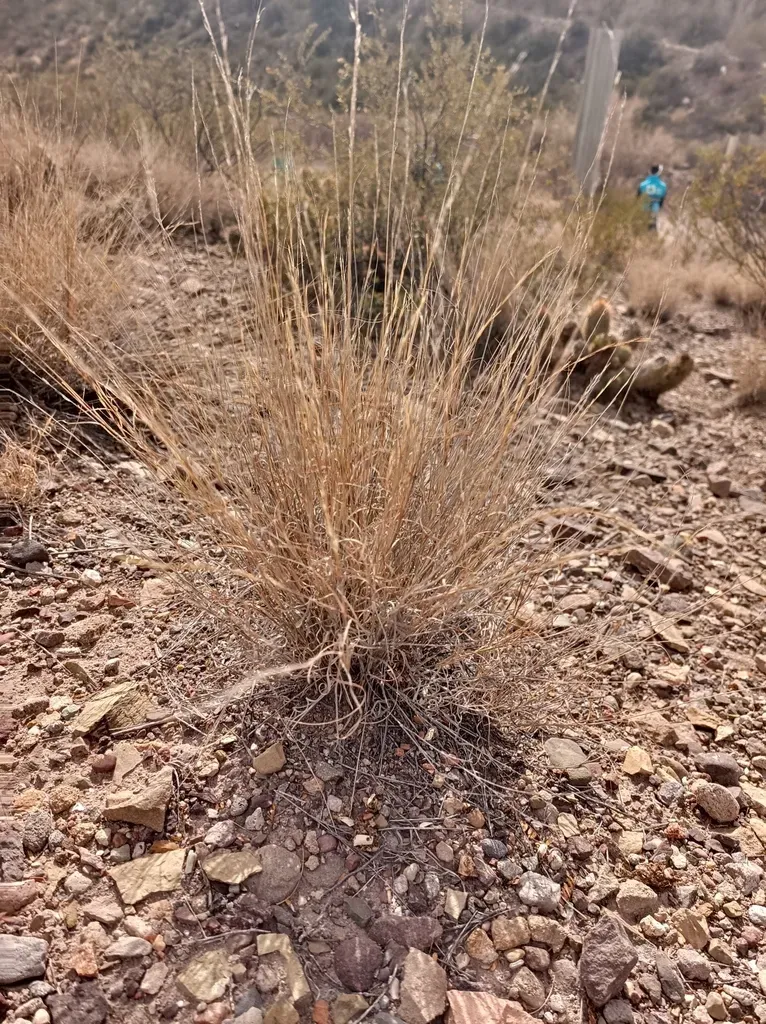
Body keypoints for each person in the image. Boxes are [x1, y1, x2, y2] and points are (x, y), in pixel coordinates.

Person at [637, 165, 668, 230]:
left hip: (644, 205)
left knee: (644, 222)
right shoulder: (662, 185)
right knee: (653, 222)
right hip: (655, 205)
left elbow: (638, 196)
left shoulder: (642, 184)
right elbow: (663, 197)